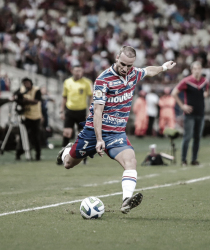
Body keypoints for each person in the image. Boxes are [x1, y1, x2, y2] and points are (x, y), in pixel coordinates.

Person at [56, 45, 176, 214]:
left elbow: (149, 71)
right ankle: (66, 151)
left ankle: (126, 200)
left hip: (116, 133)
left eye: (129, 65)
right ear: (117, 57)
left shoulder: (134, 73)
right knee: (68, 163)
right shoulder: (103, 80)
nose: (126, 68)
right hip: (93, 132)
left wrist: (163, 67)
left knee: (131, 161)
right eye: (123, 64)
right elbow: (97, 111)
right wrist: (99, 139)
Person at [172, 61, 209, 166]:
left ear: (201, 70)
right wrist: (182, 106)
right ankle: (183, 160)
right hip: (189, 114)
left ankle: (194, 159)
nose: (197, 70)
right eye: (195, 68)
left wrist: (204, 94)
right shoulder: (186, 81)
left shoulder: (204, 81)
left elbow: (206, 92)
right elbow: (174, 93)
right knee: (187, 137)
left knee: (197, 137)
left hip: (200, 113)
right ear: (192, 70)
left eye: (199, 68)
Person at [60, 65, 93, 149]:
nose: (78, 73)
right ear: (72, 71)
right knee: (67, 133)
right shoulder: (67, 82)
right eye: (76, 71)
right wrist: (61, 111)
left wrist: (90, 111)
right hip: (70, 110)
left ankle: (83, 155)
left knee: (82, 133)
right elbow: (64, 97)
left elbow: (91, 97)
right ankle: (64, 154)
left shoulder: (87, 82)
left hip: (81, 111)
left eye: (80, 71)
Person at [13, 78, 42, 161]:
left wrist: (26, 100)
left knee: (36, 137)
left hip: (36, 116)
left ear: (31, 83)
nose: (26, 85)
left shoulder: (36, 90)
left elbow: (36, 101)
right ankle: (19, 153)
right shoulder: (22, 90)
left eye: (27, 83)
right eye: (24, 83)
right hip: (26, 116)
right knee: (23, 136)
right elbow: (16, 96)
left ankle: (38, 155)